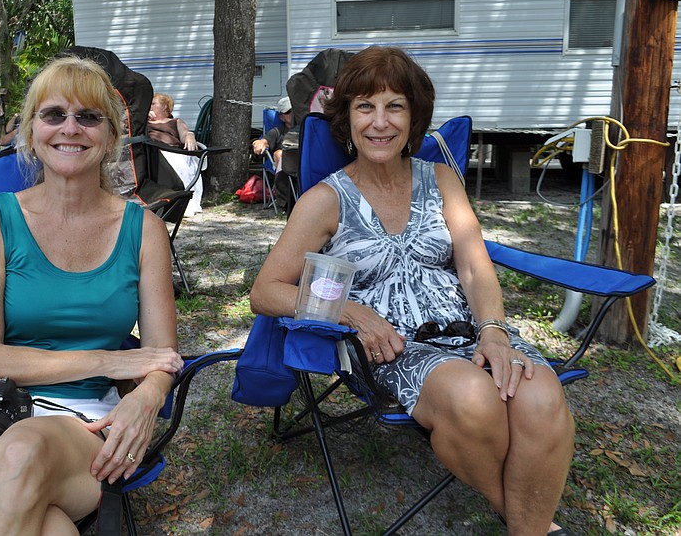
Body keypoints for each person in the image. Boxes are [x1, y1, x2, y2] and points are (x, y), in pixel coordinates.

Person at [250, 46, 574, 536]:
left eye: (394, 106)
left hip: (467, 328)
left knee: (541, 394)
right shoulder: (325, 200)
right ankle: (527, 518)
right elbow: (266, 291)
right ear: (347, 119)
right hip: (394, 345)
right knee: (473, 399)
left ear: (414, 116)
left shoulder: (441, 178)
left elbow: (475, 266)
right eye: (365, 107)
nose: (380, 122)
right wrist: (350, 312)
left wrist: (494, 333)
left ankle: (525, 526)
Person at [0, 55, 184, 535]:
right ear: (30, 132)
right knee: (52, 530)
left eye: (88, 117)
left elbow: (161, 356)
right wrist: (111, 363)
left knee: (23, 450)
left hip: (82, 422)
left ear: (111, 136)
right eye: (54, 115)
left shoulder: (143, 230)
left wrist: (148, 396)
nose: (70, 128)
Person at [147, 92, 202, 216]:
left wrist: (189, 135)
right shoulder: (144, 122)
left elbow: (184, 134)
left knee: (177, 161)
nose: (149, 107)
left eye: (153, 103)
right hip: (151, 152)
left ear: (164, 106)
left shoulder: (175, 121)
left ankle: (182, 202)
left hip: (171, 151)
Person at [252, 96, 295, 212]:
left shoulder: (305, 128)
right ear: (281, 117)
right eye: (288, 112)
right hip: (284, 166)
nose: (292, 113)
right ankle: (285, 201)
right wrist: (258, 144)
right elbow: (262, 141)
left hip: (304, 162)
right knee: (279, 153)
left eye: (294, 109)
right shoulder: (277, 131)